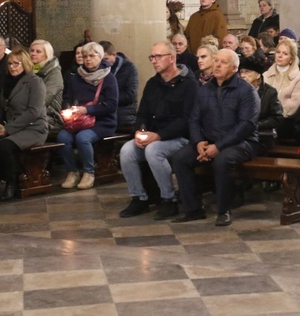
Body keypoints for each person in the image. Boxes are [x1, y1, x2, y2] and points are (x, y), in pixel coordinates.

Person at [171, 49, 260, 227]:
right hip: (210, 141)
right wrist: (198, 142)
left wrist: (217, 146)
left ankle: (223, 210)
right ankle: (193, 209)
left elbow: (245, 125)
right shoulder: (204, 90)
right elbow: (194, 119)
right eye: (216, 61)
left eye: (223, 62)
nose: (217, 65)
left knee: (222, 160)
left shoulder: (246, 91)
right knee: (180, 158)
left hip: (242, 142)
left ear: (234, 67)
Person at [118, 41, 198, 221]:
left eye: (158, 56)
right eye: (152, 57)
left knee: (154, 151)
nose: (154, 61)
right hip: (154, 135)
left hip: (180, 138)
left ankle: (168, 199)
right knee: (127, 150)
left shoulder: (189, 84)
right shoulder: (153, 84)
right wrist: (140, 131)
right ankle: (139, 197)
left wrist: (159, 136)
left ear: (171, 58)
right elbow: (143, 113)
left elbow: (188, 120)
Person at [0, 49, 48, 201]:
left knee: (5, 146)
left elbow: (33, 111)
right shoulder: (7, 83)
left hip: (33, 128)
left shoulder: (35, 82)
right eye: (10, 64)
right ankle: (10, 175)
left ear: (25, 64)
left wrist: (8, 129)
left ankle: (12, 184)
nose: (12, 67)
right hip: (14, 127)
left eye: (16, 64)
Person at [58, 42, 119, 191]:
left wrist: (87, 110)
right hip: (78, 120)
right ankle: (72, 172)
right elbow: (67, 97)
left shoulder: (108, 77)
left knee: (82, 138)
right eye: (85, 56)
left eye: (92, 56)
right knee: (63, 137)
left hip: (102, 122)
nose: (88, 59)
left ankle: (88, 173)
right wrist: (67, 109)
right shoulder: (76, 77)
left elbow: (112, 105)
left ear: (100, 57)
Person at [263, 38, 300, 140]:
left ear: (291, 58)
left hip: (286, 120)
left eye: (285, 53)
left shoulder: (298, 77)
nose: (280, 56)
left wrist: (274, 116)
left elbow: (292, 106)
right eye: (278, 52)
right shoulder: (266, 75)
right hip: (266, 118)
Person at [239, 56, 283, 143]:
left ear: (258, 74)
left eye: (247, 72)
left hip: (260, 136)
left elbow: (277, 118)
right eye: (241, 72)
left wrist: (255, 125)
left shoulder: (270, 92)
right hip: (239, 134)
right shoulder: (236, 90)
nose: (243, 75)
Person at [99, 41, 139, 127]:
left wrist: (107, 100)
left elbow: (130, 95)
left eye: (106, 59)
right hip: (102, 115)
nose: (103, 63)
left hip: (123, 116)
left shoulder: (129, 68)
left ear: (114, 55)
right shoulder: (99, 69)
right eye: (100, 60)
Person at [29, 40, 64, 131]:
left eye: (38, 51)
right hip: (31, 112)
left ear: (47, 55)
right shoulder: (28, 70)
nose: (33, 53)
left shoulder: (54, 72)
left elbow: (46, 97)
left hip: (50, 116)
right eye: (32, 51)